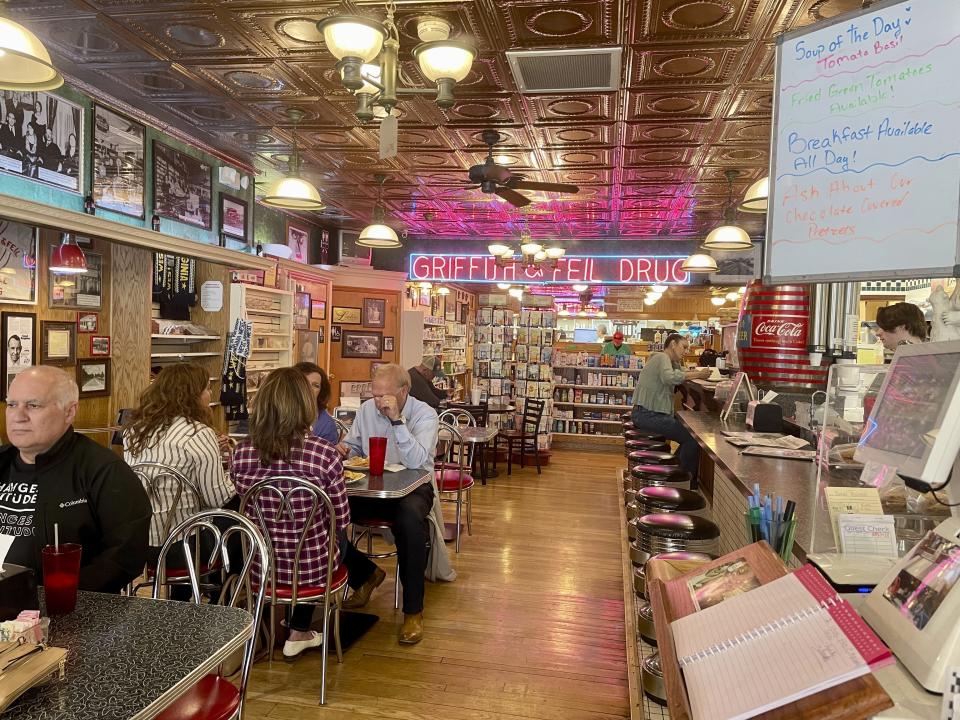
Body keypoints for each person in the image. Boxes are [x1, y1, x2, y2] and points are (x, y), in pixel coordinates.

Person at [232, 368, 351, 659]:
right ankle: (299, 628)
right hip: (312, 568)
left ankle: (268, 628)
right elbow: (342, 520)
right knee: (334, 538)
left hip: (261, 566)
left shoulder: (242, 453)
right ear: (304, 405)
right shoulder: (324, 454)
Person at [0, 366, 151, 592]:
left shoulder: (104, 471)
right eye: (12, 404)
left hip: (69, 609)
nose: (18, 416)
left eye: (33, 405)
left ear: (69, 412)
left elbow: (126, 555)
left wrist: (64, 593)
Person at [336, 363, 455, 645]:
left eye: (383, 396)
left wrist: (397, 421)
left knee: (410, 522)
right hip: (371, 486)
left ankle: (413, 611)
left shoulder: (425, 414)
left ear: (403, 392)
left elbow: (417, 462)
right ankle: (365, 575)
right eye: (374, 395)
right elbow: (355, 444)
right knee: (326, 513)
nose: (377, 402)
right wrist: (345, 448)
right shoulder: (367, 411)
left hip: (414, 488)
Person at [123, 364, 236, 547]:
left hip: (140, 541)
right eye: (207, 388)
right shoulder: (198, 433)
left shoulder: (134, 431)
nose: (210, 394)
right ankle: (232, 575)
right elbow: (217, 498)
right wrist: (234, 477)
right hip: (184, 542)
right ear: (192, 396)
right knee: (241, 524)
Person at [630, 333, 711, 481]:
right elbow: (669, 377)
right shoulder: (661, 357)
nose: (685, 351)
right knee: (692, 439)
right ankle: (682, 481)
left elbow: (679, 372)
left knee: (690, 434)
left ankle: (674, 472)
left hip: (648, 413)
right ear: (673, 344)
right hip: (648, 415)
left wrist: (694, 373)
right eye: (684, 347)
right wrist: (697, 374)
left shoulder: (666, 360)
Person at [293, 361, 339, 445]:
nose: (309, 389)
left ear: (321, 392)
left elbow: (327, 456)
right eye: (305, 383)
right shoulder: (277, 412)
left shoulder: (326, 424)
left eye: (315, 385)